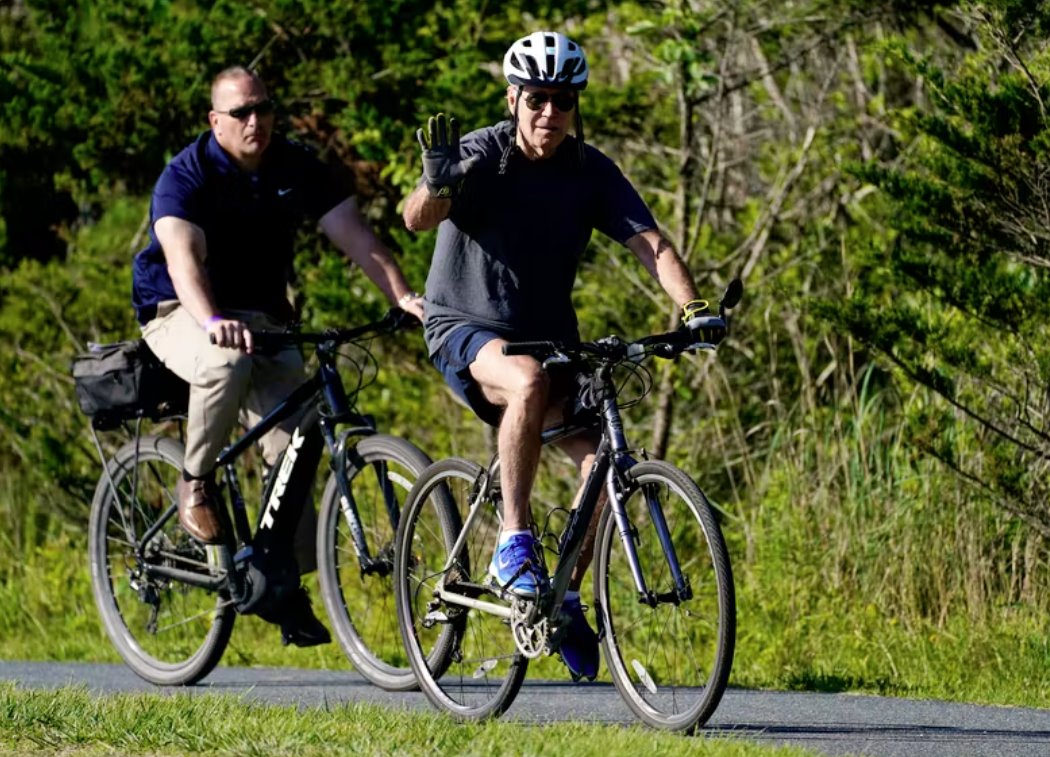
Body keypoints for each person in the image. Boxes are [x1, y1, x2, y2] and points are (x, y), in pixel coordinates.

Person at [402, 31, 726, 680]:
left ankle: (565, 596)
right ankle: (513, 541)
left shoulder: (589, 170)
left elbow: (651, 244)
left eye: (563, 101)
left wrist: (693, 309)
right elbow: (417, 216)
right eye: (537, 99)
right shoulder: (482, 152)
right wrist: (437, 183)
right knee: (523, 382)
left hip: (550, 341)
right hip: (465, 327)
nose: (549, 113)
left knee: (603, 463)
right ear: (513, 98)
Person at [133, 65, 424, 647]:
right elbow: (183, 262)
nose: (255, 121)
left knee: (299, 432)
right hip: (178, 311)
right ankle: (195, 483)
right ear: (215, 121)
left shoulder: (294, 166)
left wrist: (403, 297)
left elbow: (356, 235)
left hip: (262, 318)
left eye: (263, 108)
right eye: (240, 112)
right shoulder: (185, 176)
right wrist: (212, 322)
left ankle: (280, 580)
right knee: (225, 364)